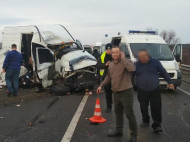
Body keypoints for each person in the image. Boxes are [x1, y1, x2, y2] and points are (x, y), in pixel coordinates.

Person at [97, 46, 137, 142]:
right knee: (118, 112)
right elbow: (108, 77)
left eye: (117, 52)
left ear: (120, 53)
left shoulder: (126, 62)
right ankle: (119, 131)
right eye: (113, 52)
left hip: (126, 92)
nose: (115, 54)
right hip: (116, 93)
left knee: (129, 114)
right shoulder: (110, 64)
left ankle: (134, 135)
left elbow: (132, 69)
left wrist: (123, 59)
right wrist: (101, 86)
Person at [135, 49, 175, 133]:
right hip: (142, 90)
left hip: (154, 89)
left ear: (147, 55)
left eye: (143, 56)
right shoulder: (136, 64)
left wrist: (170, 82)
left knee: (156, 108)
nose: (142, 59)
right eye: (140, 57)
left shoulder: (155, 62)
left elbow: (163, 72)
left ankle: (157, 125)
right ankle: (145, 121)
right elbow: (129, 74)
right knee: (143, 107)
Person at [97, 43, 113, 113]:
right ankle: (109, 107)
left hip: (115, 77)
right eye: (107, 49)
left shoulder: (115, 55)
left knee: (117, 93)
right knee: (108, 93)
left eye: (110, 49)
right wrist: (105, 65)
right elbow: (98, 66)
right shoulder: (102, 56)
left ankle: (119, 107)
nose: (109, 51)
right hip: (106, 77)